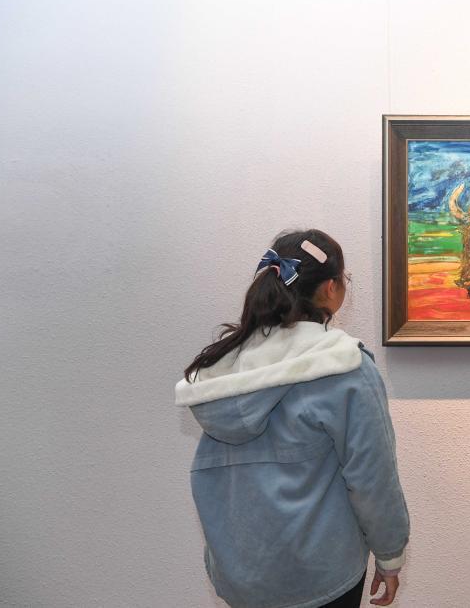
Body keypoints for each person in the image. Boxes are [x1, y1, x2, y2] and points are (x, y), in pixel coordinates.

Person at [174, 229, 410, 608]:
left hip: (243, 579)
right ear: (331, 288)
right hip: (322, 577)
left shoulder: (225, 368)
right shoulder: (344, 367)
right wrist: (390, 554)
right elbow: (372, 477)